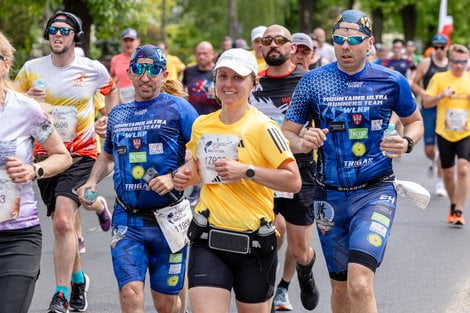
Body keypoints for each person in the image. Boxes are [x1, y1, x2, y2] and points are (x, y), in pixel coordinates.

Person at [282, 10, 423, 313]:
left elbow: (415, 122)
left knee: (359, 281)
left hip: (375, 191)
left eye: (354, 40)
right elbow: (287, 135)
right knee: (341, 287)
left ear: (369, 43)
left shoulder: (390, 80)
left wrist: (407, 141)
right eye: (339, 40)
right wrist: (302, 141)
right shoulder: (313, 82)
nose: (345, 46)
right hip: (328, 195)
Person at [173, 48, 301, 313]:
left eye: (238, 78)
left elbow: (293, 181)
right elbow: (201, 171)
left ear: (253, 82)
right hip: (209, 237)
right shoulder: (202, 125)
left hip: (253, 243)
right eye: (223, 76)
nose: (228, 84)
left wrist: (247, 171)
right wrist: (186, 175)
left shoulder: (264, 127)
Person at [78, 45, 198, 313]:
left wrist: (175, 177)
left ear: (164, 74)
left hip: (169, 219)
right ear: (129, 74)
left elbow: (203, 154)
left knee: (167, 304)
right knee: (130, 293)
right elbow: (107, 157)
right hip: (127, 219)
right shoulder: (119, 114)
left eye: (153, 70)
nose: (146, 77)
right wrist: (92, 182)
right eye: (139, 70)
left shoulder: (180, 109)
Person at [14, 11, 118, 313]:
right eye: (52, 30)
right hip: (46, 157)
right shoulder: (32, 69)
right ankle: (77, 278)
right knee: (65, 226)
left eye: (64, 30)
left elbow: (111, 93)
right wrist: (27, 96)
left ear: (76, 36)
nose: (57, 35)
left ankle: (60, 294)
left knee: (62, 220)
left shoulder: (92, 69)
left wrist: (107, 118)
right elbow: (10, 98)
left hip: (80, 155)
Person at [0, 30, 72, 313]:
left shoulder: (26, 109)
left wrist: (32, 170)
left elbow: (62, 156)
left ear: (5, 64)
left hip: (18, 237)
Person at [249, 25, 319, 312]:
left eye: (280, 40)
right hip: (260, 173)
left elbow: (324, 123)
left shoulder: (309, 81)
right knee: (270, 233)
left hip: (299, 170)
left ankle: (301, 273)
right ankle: (269, 290)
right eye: (268, 41)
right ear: (261, 47)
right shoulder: (251, 82)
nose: (273, 45)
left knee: (301, 251)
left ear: (291, 48)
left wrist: (311, 138)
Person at [423, 44, 470, 226]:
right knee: (449, 174)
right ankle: (453, 205)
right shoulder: (439, 78)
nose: (459, 65)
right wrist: (441, 96)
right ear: (450, 61)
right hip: (444, 132)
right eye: (456, 62)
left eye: (463, 62)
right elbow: (426, 103)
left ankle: (459, 209)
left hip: (466, 132)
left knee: (464, 169)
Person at [410, 34, 449, 197]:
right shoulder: (426, 63)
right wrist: (423, 93)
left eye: (442, 47)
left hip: (446, 108)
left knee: (442, 148)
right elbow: (413, 82)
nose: (438, 50)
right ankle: (433, 160)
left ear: (447, 47)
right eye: (436, 47)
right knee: (429, 150)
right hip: (429, 108)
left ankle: (440, 183)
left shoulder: (452, 65)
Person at [182, 41, 218, 115]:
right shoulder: (188, 71)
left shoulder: (219, 71)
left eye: (205, 53)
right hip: (193, 117)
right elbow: (182, 91)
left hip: (215, 118)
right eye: (198, 54)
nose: (201, 57)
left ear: (213, 54)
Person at [110, 28, 141, 103]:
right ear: (121, 42)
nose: (128, 43)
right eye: (125, 41)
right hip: (121, 100)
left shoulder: (144, 58)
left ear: (138, 42)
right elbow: (113, 79)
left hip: (141, 98)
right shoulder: (115, 59)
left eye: (131, 40)